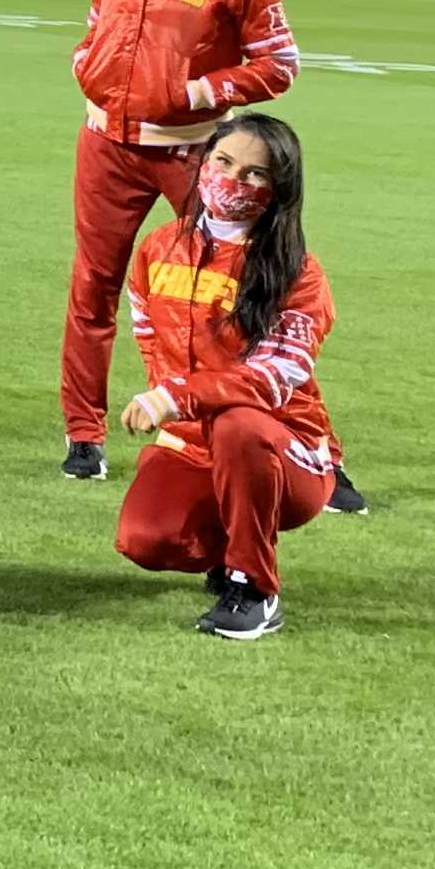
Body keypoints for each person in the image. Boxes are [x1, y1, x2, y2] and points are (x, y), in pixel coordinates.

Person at [62, 0, 312, 487]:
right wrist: (87, 64)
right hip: (106, 146)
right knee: (92, 290)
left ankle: (308, 444)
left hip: (195, 154)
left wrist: (198, 90)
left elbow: (280, 63)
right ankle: (84, 435)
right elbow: (97, 28)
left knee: (247, 292)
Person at [110, 111, 337, 640]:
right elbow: (148, 334)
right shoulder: (158, 246)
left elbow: (272, 378)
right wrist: (172, 411)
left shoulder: (299, 272)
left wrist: (173, 398)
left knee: (239, 423)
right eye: (223, 161)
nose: (233, 181)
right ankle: (232, 545)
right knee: (145, 540)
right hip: (194, 442)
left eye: (256, 174)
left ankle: (255, 589)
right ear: (203, 162)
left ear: (280, 190)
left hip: (283, 449)